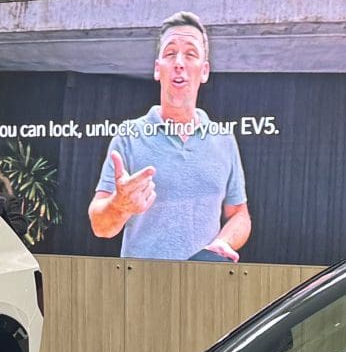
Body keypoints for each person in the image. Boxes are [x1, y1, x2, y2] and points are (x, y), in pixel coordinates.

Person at [88, 14, 251, 260]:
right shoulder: (129, 136)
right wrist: (119, 205)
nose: (179, 63)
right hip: (139, 286)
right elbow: (100, 226)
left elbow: (239, 213)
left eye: (191, 54)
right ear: (157, 69)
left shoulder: (223, 139)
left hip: (206, 284)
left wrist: (223, 243)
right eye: (170, 52)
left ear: (204, 71)